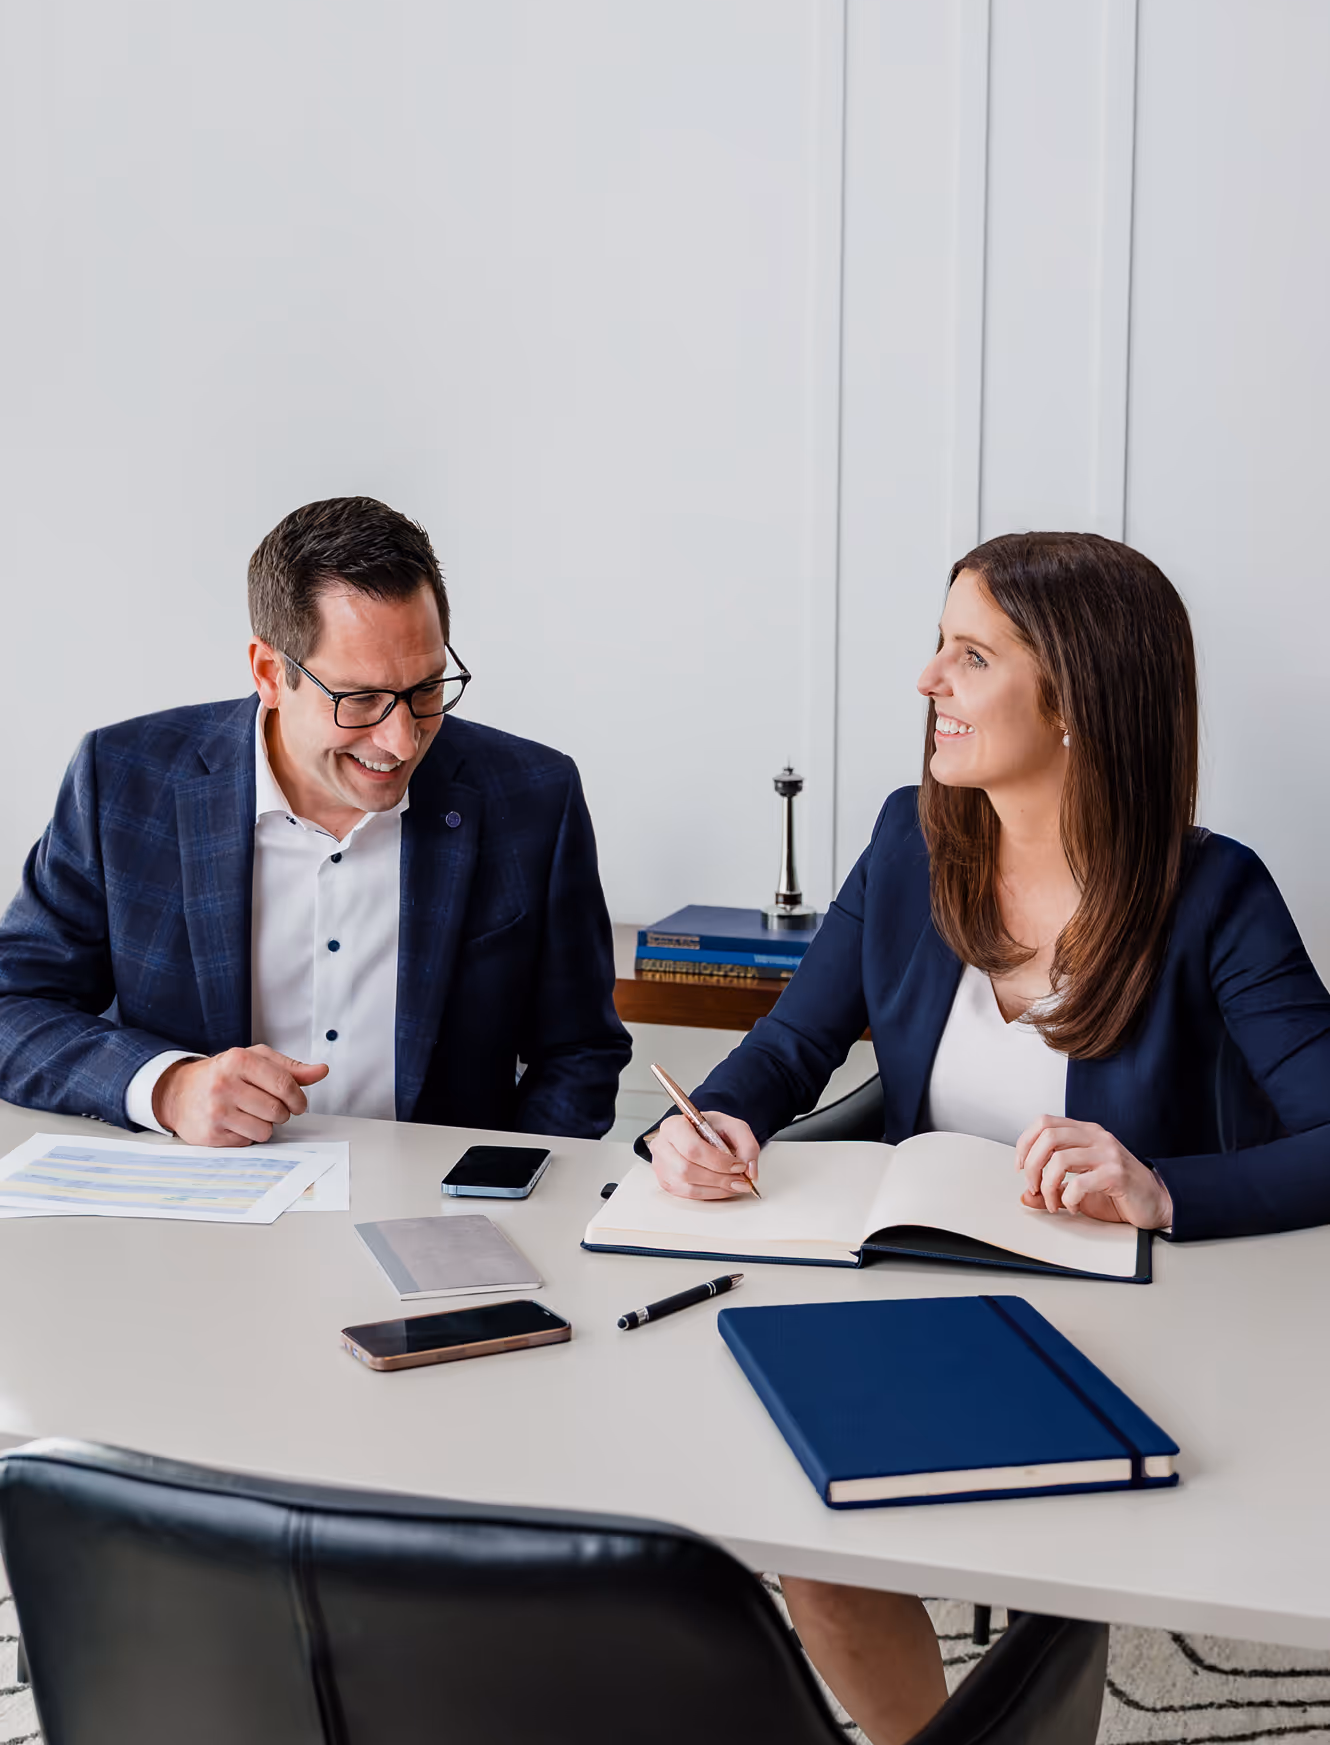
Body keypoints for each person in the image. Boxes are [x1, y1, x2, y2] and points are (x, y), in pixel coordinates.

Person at [647, 531, 1330, 1745]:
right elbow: (790, 1045)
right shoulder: (912, 842)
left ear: (1075, 696)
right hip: (916, 1299)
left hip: (1129, 1327)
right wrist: (713, 1120)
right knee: (812, 1533)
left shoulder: (1213, 892)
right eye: (939, 645)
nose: (926, 680)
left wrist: (1161, 1188)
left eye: (969, 655)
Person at [0, 496, 630, 1144]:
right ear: (271, 673)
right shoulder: (125, 780)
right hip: (195, 1211)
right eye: (360, 700)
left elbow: (578, 1051)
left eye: (427, 690)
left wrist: (504, 1188)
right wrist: (168, 1086)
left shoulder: (533, 795)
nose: (402, 741)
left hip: (436, 1215)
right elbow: (13, 1005)